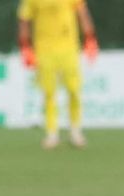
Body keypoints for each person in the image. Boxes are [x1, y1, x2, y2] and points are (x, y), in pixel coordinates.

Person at [16, 0, 97, 149]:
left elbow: (82, 12)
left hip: (69, 48)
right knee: (49, 93)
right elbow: (24, 20)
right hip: (44, 50)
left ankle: (75, 131)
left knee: (74, 90)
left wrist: (90, 37)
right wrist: (25, 46)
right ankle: (52, 134)